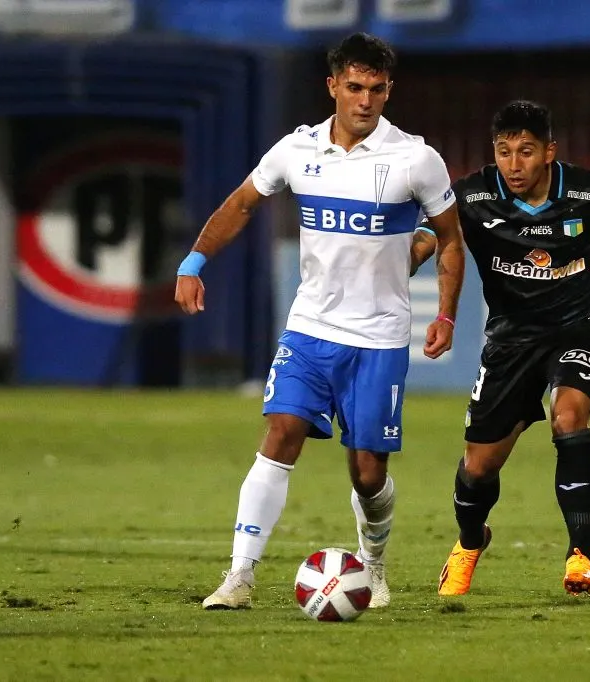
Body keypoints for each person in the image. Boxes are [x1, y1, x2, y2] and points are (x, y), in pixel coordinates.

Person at [174, 32, 464, 611]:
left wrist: (447, 314)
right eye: (354, 87)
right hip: (309, 329)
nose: (365, 100)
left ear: (388, 91)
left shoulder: (415, 158)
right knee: (280, 434)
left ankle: (374, 566)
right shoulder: (296, 150)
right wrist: (193, 261)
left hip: (379, 337)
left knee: (366, 473)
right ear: (332, 86)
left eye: (376, 90)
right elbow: (241, 204)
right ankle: (239, 576)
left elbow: (451, 238)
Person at [411, 100, 590, 598]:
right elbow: (432, 238)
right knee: (479, 466)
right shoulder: (470, 197)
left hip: (583, 327)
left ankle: (580, 554)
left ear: (549, 152)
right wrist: (402, 262)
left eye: (526, 152)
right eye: (504, 152)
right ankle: (471, 542)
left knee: (570, 417)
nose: (514, 165)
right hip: (511, 340)